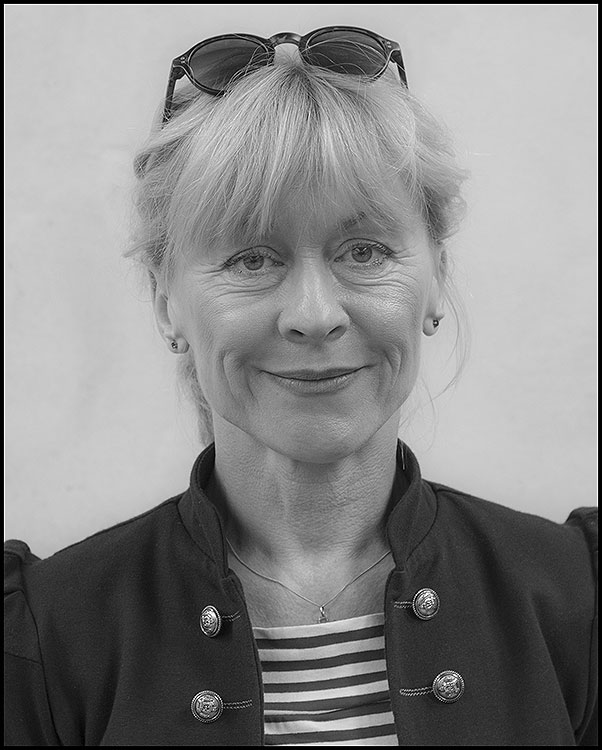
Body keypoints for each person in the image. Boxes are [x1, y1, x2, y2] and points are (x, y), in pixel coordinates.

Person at [4, 25, 597, 747]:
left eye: (364, 250)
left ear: (437, 276)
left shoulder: (578, 603)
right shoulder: (44, 639)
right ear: (165, 301)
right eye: (252, 258)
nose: (314, 315)